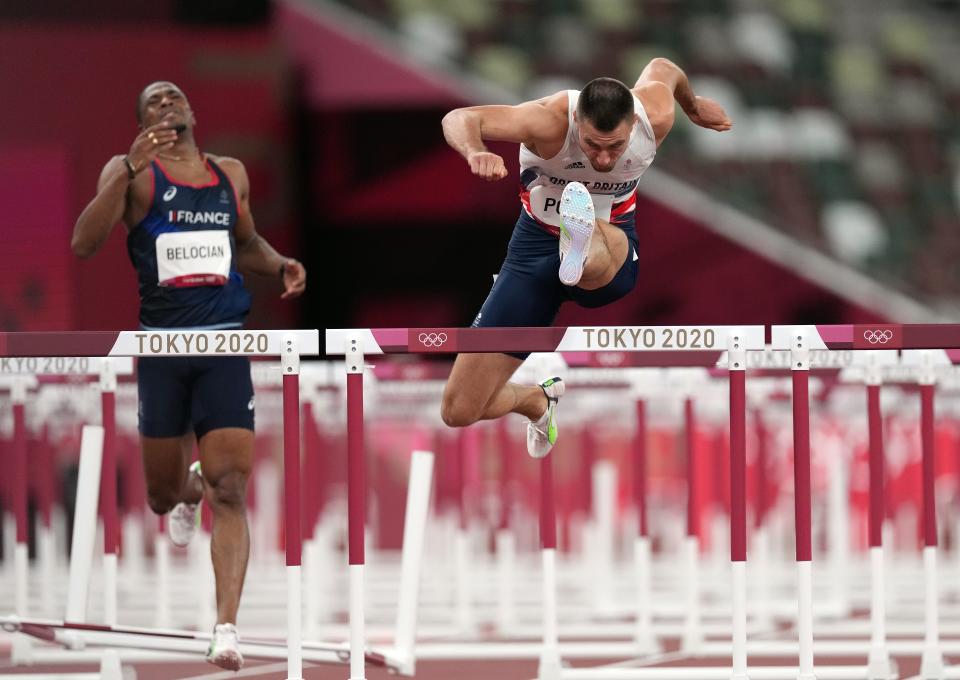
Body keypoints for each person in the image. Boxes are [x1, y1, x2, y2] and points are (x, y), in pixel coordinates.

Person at [71, 81, 306, 670]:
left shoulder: (229, 173)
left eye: (174, 97)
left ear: (192, 111)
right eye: (153, 101)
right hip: (163, 349)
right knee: (160, 496)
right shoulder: (134, 174)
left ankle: (226, 629)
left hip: (224, 342)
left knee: (234, 489)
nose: (167, 104)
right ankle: (188, 488)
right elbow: (83, 243)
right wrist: (126, 168)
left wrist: (278, 264)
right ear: (141, 121)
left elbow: (244, 242)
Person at [439, 58, 731, 458]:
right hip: (531, 255)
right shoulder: (549, 122)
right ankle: (536, 402)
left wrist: (694, 106)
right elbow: (461, 117)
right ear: (578, 121)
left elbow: (664, 67)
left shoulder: (656, 115)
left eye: (616, 146)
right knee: (458, 410)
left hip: (610, 251)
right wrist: (475, 151)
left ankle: (580, 242)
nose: (605, 159)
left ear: (633, 125)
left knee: (595, 246)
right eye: (593, 145)